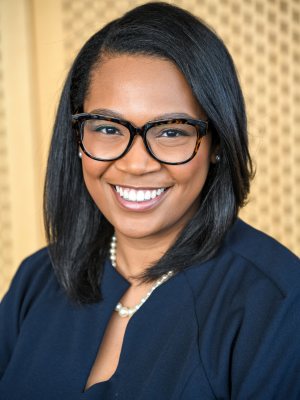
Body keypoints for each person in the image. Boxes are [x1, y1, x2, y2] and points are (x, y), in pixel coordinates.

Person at [0, 2, 299, 399]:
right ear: (76, 139)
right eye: (107, 127)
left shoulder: (278, 305)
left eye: (172, 132)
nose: (136, 163)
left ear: (216, 144)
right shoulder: (37, 280)